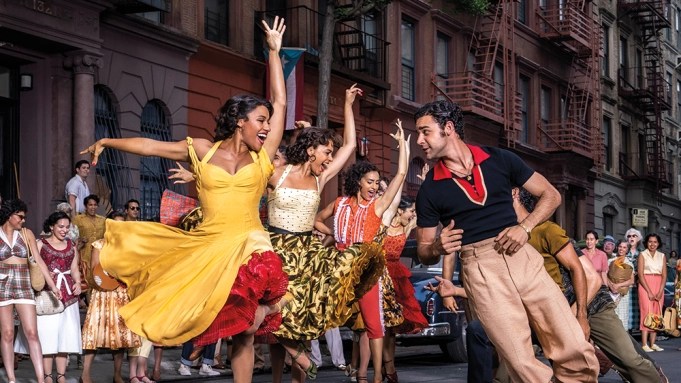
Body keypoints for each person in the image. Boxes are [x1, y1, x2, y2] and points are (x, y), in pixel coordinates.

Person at [81, 17, 289, 383]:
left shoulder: (263, 156)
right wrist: (108, 141)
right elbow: (150, 146)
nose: (268, 127)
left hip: (251, 242)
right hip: (210, 246)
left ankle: (263, 318)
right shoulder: (203, 151)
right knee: (228, 324)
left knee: (249, 324)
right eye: (261, 120)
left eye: (269, 122)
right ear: (240, 121)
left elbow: (280, 99)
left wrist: (274, 52)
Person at [412, 99, 598, 382]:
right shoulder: (430, 190)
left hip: (522, 257)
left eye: (425, 132)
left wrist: (525, 227)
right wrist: (437, 246)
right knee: (519, 360)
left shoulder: (499, 159)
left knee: (573, 346)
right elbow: (425, 250)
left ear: (448, 128)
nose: (420, 140)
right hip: (481, 269)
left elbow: (551, 195)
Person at [264, 86, 389, 383]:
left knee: (301, 323)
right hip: (274, 251)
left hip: (307, 256)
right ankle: (291, 364)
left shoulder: (320, 179)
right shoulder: (275, 173)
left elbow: (349, 146)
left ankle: (298, 373)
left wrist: (347, 104)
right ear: (311, 150)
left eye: (331, 154)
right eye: (326, 152)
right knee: (271, 316)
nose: (331, 157)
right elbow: (241, 176)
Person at [315, 124, 409, 383]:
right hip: (340, 270)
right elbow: (316, 219)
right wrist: (335, 236)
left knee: (373, 326)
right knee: (316, 310)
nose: (375, 186)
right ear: (358, 181)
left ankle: (376, 376)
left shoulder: (377, 206)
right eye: (370, 182)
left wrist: (403, 147)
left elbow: (401, 174)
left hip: (368, 272)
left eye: (377, 183)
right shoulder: (340, 203)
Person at [15, 211, 82, 383]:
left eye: (67, 227)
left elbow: (74, 268)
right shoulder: (41, 244)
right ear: (51, 226)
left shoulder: (72, 246)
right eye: (61, 226)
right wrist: (43, 274)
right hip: (46, 296)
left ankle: (61, 376)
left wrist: (77, 282)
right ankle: (47, 377)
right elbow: (32, 264)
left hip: (68, 295)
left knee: (64, 338)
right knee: (47, 338)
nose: (64, 230)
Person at [0, 199, 58, 383]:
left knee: (32, 332)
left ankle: (41, 379)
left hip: (24, 283)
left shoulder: (26, 234)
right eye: (20, 216)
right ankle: (11, 379)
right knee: (7, 333)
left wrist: (53, 285)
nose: (23, 220)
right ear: (10, 215)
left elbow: (39, 261)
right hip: (3, 285)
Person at [80, 210, 141, 383]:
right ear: (109, 225)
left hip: (121, 294)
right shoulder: (98, 245)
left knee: (119, 336)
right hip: (103, 293)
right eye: (116, 223)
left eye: (122, 224)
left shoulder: (128, 247)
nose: (119, 227)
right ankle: (85, 374)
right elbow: (95, 271)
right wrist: (113, 277)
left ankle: (117, 374)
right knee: (94, 334)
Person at [380, 195, 427, 383]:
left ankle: (389, 366)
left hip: (397, 277)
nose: (412, 214)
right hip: (381, 275)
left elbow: (424, 214)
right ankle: (385, 366)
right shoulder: (383, 223)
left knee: (393, 327)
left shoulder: (406, 226)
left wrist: (425, 189)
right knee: (382, 326)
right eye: (410, 211)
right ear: (399, 210)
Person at [638, 233, 667, 352]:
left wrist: (660, 290)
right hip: (646, 283)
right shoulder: (642, 255)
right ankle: (644, 344)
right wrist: (649, 291)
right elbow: (640, 274)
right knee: (646, 311)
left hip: (659, 283)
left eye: (655, 242)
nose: (652, 244)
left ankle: (653, 343)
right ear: (647, 243)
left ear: (658, 243)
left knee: (656, 313)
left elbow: (664, 275)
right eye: (650, 241)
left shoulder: (662, 255)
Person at [72, 194, 106, 291]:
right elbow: (72, 235)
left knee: (98, 277)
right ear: (86, 206)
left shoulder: (102, 220)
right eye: (90, 205)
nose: (93, 207)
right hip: (84, 254)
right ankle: (88, 303)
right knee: (86, 280)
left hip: (99, 254)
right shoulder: (78, 219)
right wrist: (80, 239)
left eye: (95, 205)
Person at [609, 240, 636, 331]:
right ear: (617, 247)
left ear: (627, 249)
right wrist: (611, 285)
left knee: (622, 317)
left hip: (623, 294)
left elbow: (632, 280)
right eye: (620, 246)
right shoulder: (610, 261)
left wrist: (618, 285)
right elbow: (604, 275)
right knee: (611, 315)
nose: (621, 249)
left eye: (624, 247)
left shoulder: (629, 263)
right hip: (610, 292)